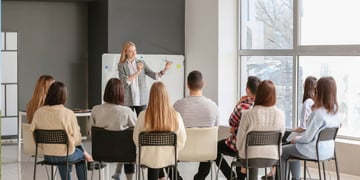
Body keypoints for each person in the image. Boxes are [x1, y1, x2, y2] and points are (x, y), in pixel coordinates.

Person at [194, 76, 261, 180]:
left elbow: (231, 122)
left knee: (212, 149)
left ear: (247, 89)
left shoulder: (242, 106)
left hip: (240, 146)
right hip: (258, 147)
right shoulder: (263, 107)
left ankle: (227, 176)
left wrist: (238, 103)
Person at [281, 76, 341, 180]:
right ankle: (295, 178)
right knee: (294, 147)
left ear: (319, 91)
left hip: (314, 150)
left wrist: (295, 139)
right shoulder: (335, 111)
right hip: (328, 151)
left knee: (282, 151)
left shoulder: (318, 113)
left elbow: (307, 138)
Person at [262, 76, 317, 179]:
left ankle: (276, 172)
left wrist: (292, 130)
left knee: (281, 141)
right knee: (285, 137)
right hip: (310, 139)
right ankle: (279, 172)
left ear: (306, 86)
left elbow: (303, 127)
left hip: (304, 138)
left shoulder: (307, 103)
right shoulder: (315, 103)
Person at [30, 81, 88, 180]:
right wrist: (71, 141)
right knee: (80, 155)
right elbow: (77, 139)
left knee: (64, 152)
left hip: (47, 155)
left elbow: (33, 133)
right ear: (64, 96)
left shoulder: (39, 112)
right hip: (65, 155)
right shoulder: (68, 113)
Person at [133, 82, 186, 180]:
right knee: (160, 156)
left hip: (147, 158)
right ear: (166, 96)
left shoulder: (142, 115)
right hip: (169, 158)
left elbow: (136, 139)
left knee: (154, 157)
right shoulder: (176, 116)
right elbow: (182, 140)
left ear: (151, 96)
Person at [171, 70, 219, 179]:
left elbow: (172, 128)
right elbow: (216, 129)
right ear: (203, 84)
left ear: (187, 85)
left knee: (164, 154)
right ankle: (200, 177)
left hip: (181, 151)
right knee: (210, 143)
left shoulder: (178, 105)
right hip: (206, 152)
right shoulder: (213, 106)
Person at [236, 80, 285, 180]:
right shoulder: (281, 114)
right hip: (273, 157)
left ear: (258, 94)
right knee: (253, 153)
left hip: (250, 158)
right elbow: (281, 135)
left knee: (250, 153)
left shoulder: (248, 114)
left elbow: (239, 142)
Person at [90, 78, 137, 180]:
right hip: (125, 154)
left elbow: (91, 133)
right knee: (129, 142)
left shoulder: (95, 110)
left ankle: (117, 172)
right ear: (121, 93)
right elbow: (137, 131)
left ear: (106, 92)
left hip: (100, 153)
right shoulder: (127, 111)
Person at [118, 41, 172, 116]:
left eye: (135, 50)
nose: (134, 53)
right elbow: (124, 82)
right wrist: (138, 71)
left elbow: (154, 76)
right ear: (125, 52)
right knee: (127, 124)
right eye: (131, 51)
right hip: (127, 99)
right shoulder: (121, 65)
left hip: (141, 99)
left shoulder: (141, 62)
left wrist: (165, 69)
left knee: (143, 123)